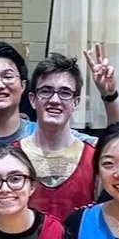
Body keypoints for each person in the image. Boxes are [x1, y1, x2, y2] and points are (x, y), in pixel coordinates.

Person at [17, 52, 103, 224]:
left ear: (76, 102)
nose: (54, 100)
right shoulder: (12, 156)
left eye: (65, 92)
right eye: (46, 91)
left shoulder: (94, 158)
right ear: (33, 100)